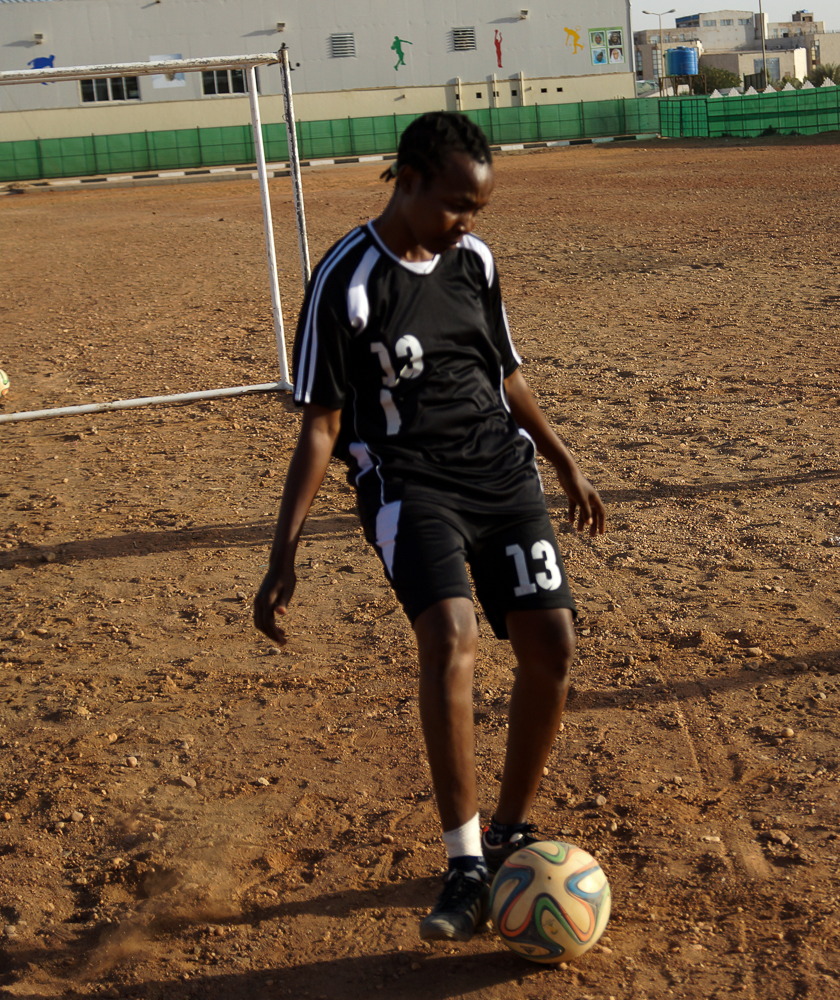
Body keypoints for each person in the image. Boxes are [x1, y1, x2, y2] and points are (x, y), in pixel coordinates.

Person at [253, 112, 605, 943]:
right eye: (454, 204)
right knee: (450, 635)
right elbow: (321, 426)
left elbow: (506, 373)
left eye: (476, 208)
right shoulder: (345, 279)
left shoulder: (474, 262)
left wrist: (563, 461)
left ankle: (512, 829)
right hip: (409, 482)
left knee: (550, 644)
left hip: (499, 471)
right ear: (405, 180)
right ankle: (466, 861)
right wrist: (283, 554)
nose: (466, 223)